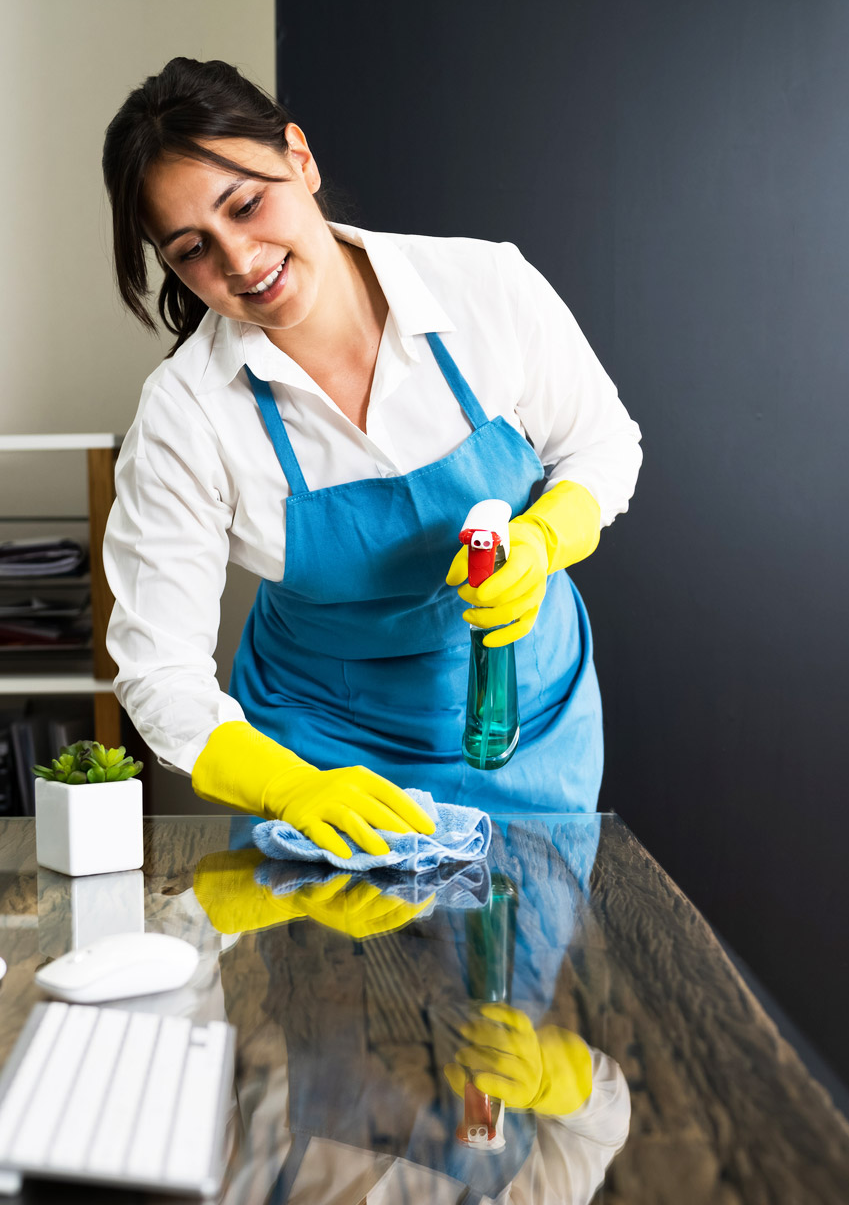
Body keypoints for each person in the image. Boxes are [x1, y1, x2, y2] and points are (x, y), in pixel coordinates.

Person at [100, 59, 641, 855]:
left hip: (523, 727)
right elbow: (158, 670)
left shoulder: (482, 287)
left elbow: (599, 445)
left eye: (247, 205)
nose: (241, 261)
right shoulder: (187, 415)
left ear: (299, 157)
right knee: (326, 973)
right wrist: (289, 784)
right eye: (192, 250)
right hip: (319, 752)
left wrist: (542, 540)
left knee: (517, 975)